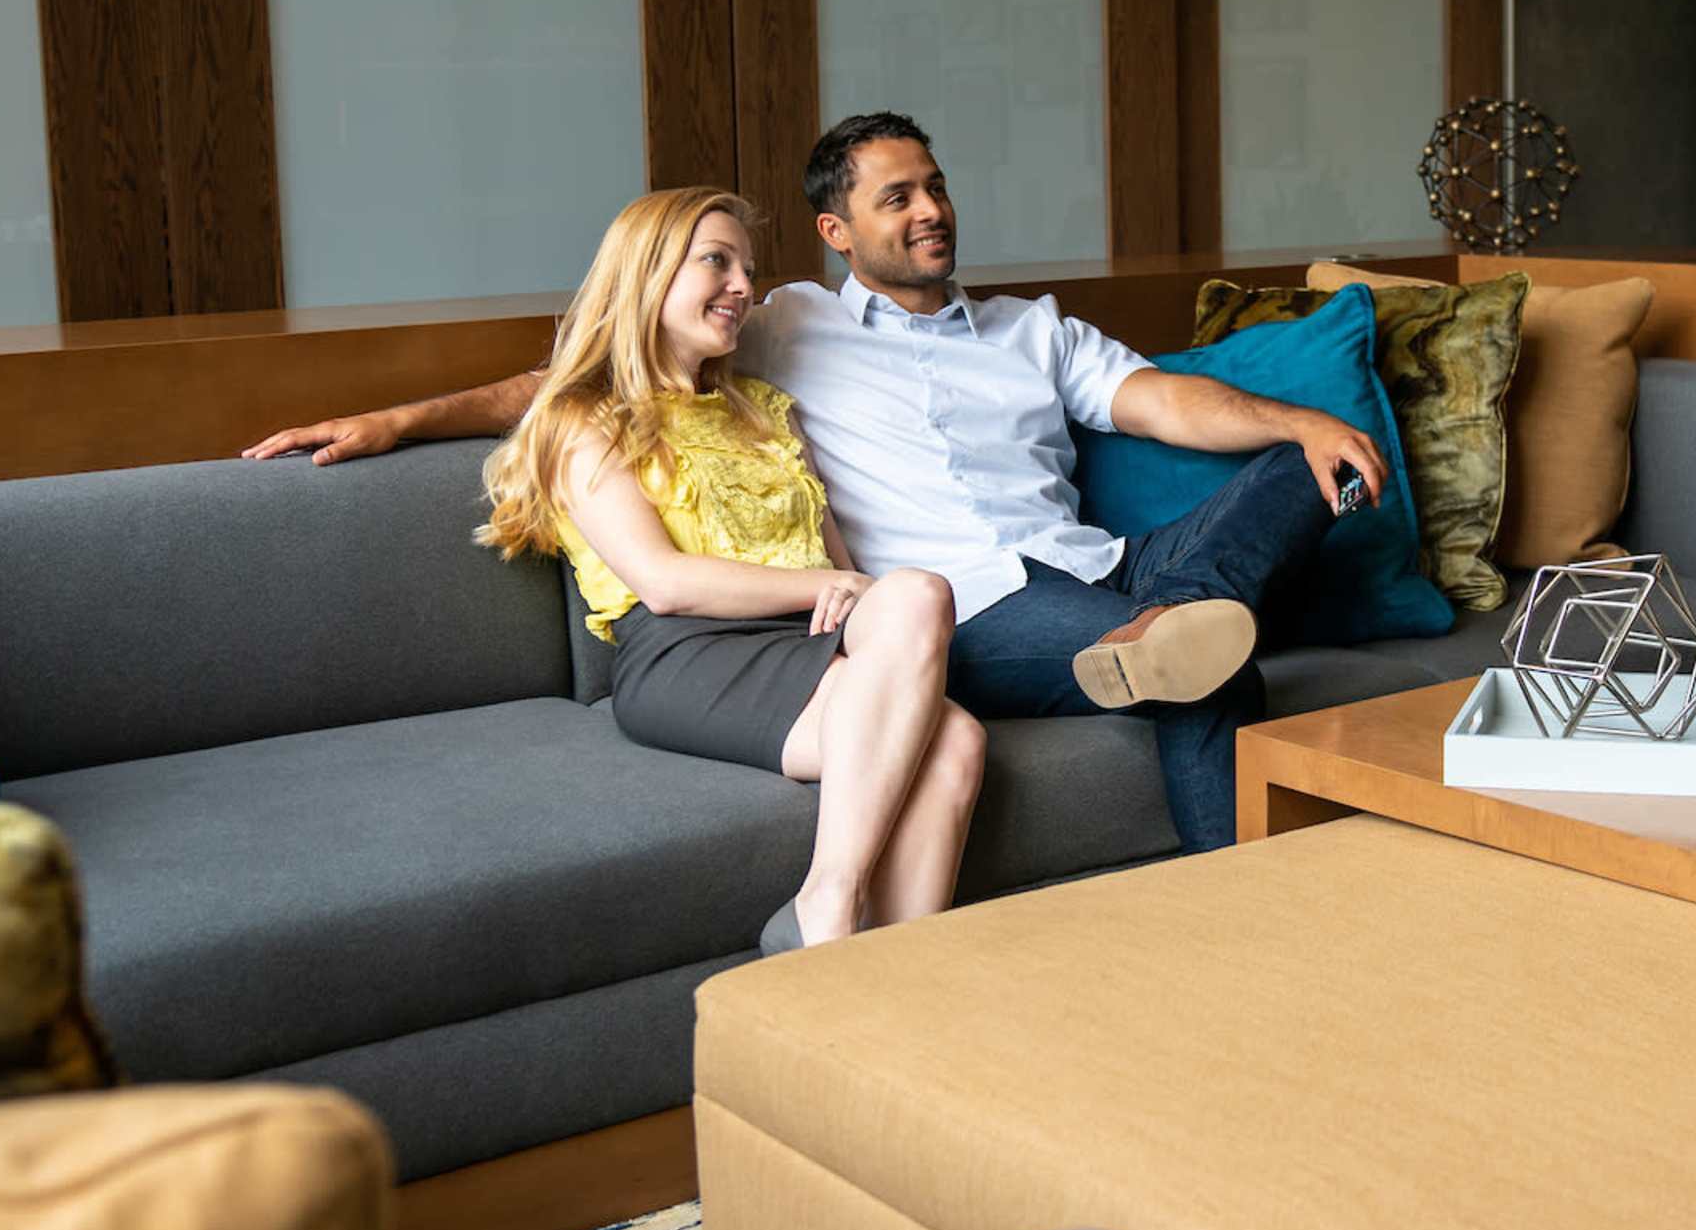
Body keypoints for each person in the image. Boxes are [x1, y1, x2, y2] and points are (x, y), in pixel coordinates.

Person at [249, 112, 1382, 855]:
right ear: (839, 231)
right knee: (1206, 673)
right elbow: (578, 375)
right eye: (896, 199)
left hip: (1103, 568)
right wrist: (398, 417)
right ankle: (1211, 768)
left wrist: (1303, 421)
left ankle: (1185, 616)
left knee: (1293, 474)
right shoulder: (783, 323)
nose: (928, 210)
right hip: (964, 603)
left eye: (934, 187)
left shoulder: (1036, 331)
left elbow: (1166, 404)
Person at [470, 185, 981, 951]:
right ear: (647, 275)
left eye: (748, 267)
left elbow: (839, 566)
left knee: (958, 732)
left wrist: (859, 599)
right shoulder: (585, 418)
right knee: (916, 613)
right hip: (685, 656)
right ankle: (829, 904)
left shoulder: (766, 411)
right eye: (717, 262)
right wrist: (837, 589)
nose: (745, 287)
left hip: (803, 640)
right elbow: (664, 583)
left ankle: (899, 979)